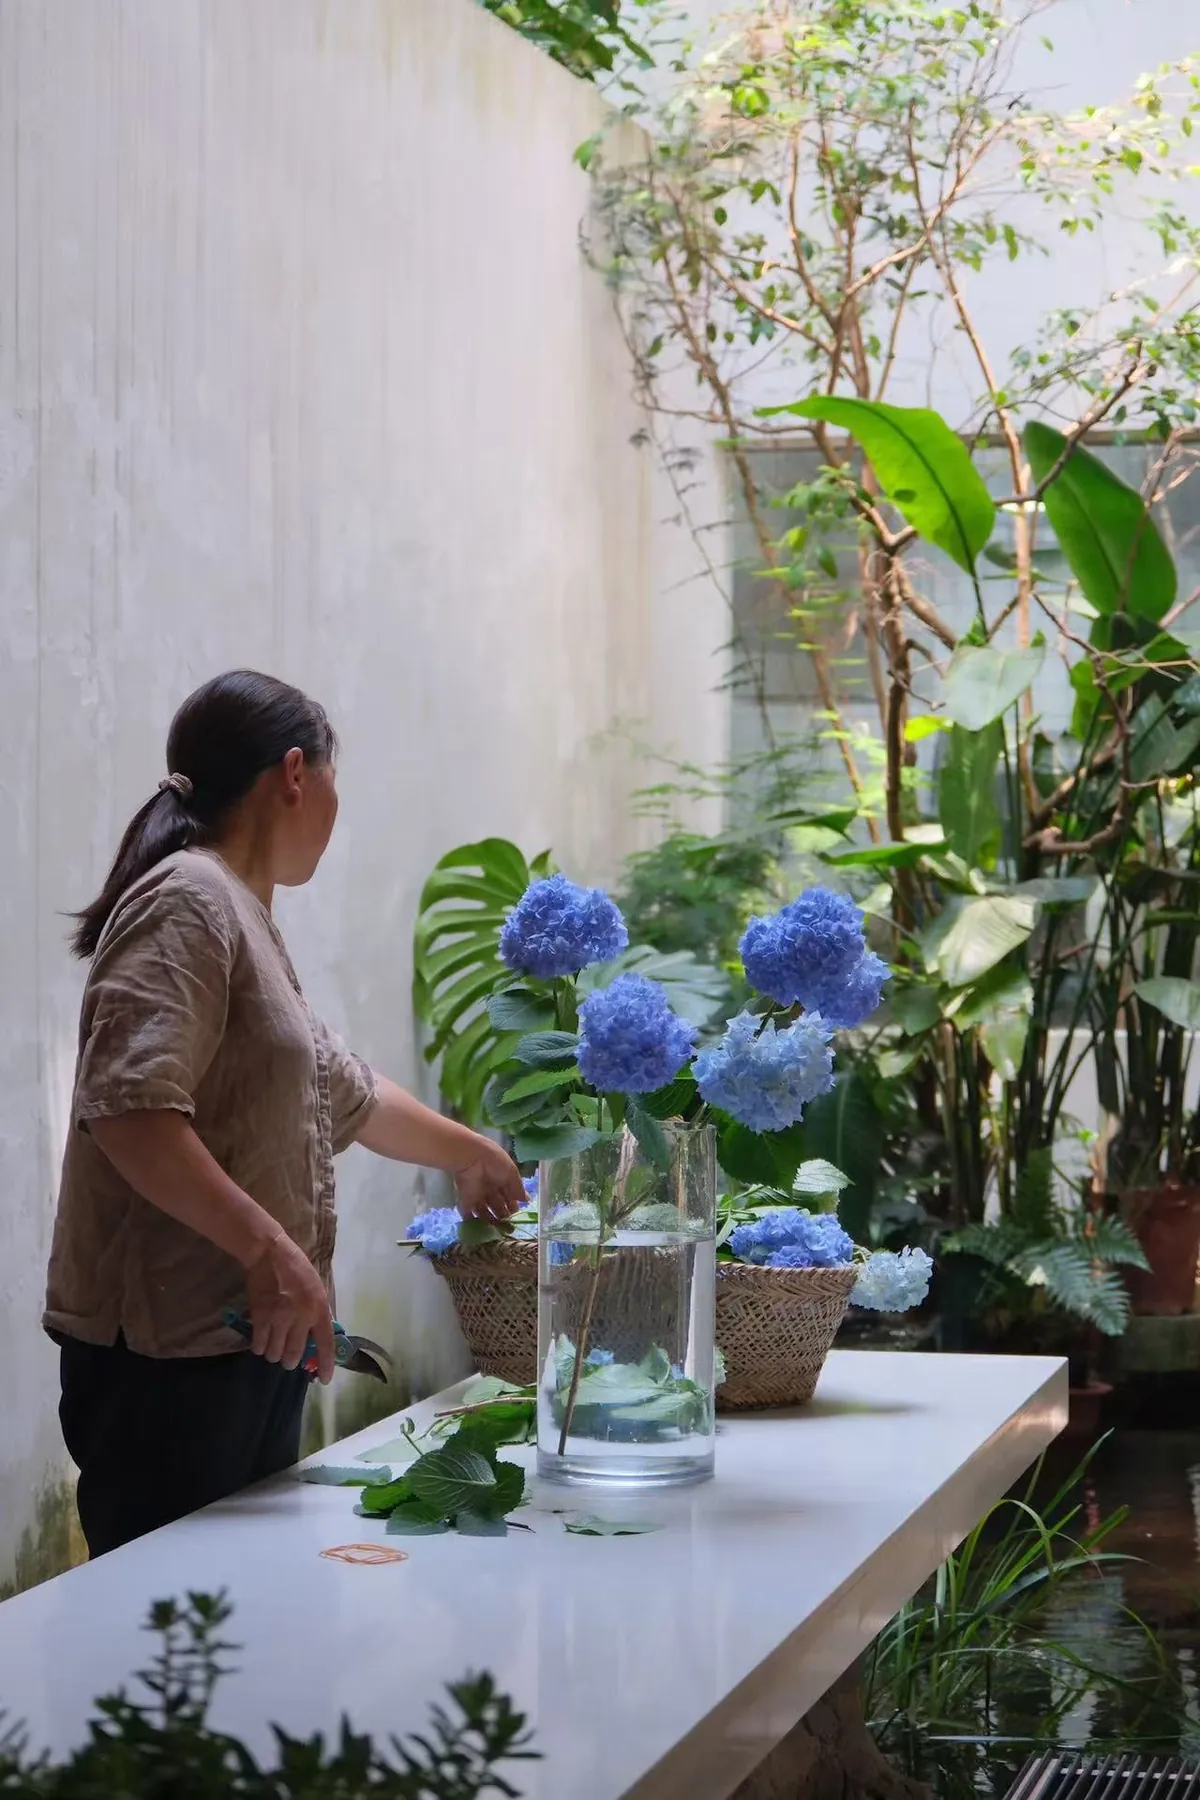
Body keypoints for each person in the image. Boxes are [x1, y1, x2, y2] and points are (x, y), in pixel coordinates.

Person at [44, 670, 524, 1557]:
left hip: (244, 1344)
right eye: (336, 779)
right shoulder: (189, 899)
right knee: (177, 1617)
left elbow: (344, 1089)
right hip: (169, 1358)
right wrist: (270, 1251)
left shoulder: (238, 909)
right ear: (297, 774)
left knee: (242, 1609)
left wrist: (470, 1154)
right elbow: (130, 1112)